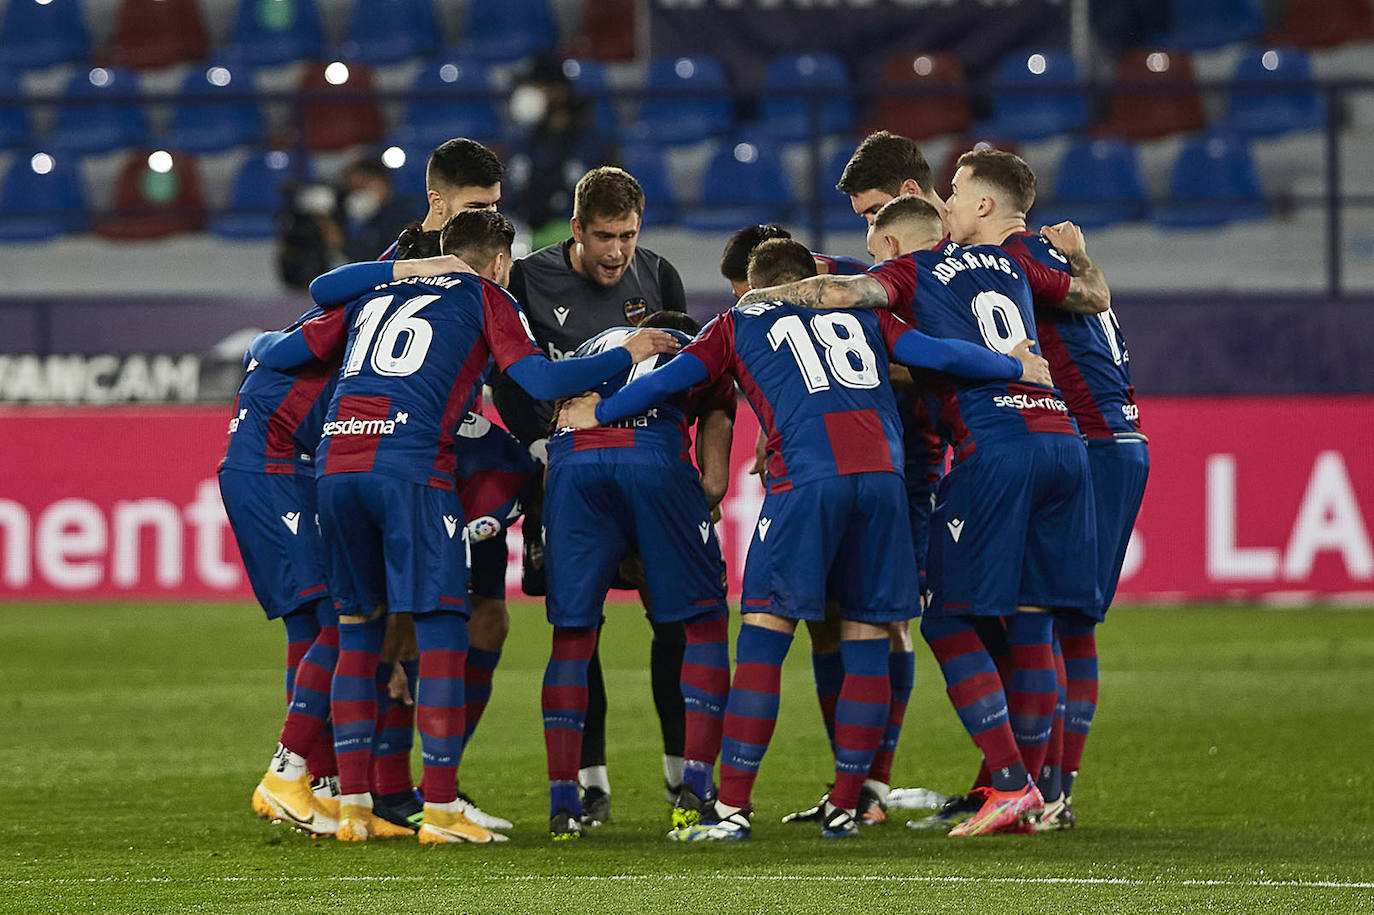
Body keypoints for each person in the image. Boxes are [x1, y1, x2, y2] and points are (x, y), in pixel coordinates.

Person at [562, 237, 1051, 841]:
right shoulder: (864, 313)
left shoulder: (737, 320)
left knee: (766, 635)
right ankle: (849, 804)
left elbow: (666, 382)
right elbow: (939, 353)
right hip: (883, 477)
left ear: (757, 282)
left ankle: (733, 810)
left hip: (809, 479)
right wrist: (1014, 365)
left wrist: (600, 414)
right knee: (868, 632)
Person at [252, 209, 679, 844]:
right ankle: (443, 808)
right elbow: (539, 379)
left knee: (357, 626)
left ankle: (349, 803)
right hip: (411, 468)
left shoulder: (379, 290)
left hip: (339, 465)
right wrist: (629, 352)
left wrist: (402, 267)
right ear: (501, 263)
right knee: (444, 626)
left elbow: (306, 310)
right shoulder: (488, 297)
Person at [740, 197, 1098, 837]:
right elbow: (1091, 296)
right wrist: (1074, 257)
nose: (873, 257)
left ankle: (1007, 784)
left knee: (940, 622)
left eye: (875, 240)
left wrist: (759, 301)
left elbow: (871, 310)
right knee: (1035, 619)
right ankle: (1042, 795)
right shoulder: (1009, 261)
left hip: (975, 452)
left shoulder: (910, 273)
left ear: (894, 245)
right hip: (1062, 435)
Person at [231, 240, 472, 837]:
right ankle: (293, 775)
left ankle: (334, 789)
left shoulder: (372, 322)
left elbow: (266, 344)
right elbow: (271, 346)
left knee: (324, 623)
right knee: (333, 623)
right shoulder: (358, 312)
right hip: (276, 467)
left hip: (298, 466)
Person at [943, 148, 1147, 829]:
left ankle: (1041, 790)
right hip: (1114, 441)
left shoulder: (1016, 259)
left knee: (1041, 616)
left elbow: (1092, 301)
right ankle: (1051, 788)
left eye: (955, 190)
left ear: (983, 205)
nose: (947, 204)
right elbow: (1094, 295)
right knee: (1068, 619)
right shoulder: (1053, 258)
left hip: (1083, 441)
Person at [491, 165, 693, 824]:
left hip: (643, 473)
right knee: (579, 626)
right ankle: (590, 779)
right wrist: (542, 441)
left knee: (675, 625)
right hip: (563, 475)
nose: (616, 252)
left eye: (628, 236)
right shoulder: (528, 279)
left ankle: (679, 773)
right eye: (604, 236)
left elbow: (678, 375)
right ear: (576, 229)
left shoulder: (658, 274)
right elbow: (510, 377)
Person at [540, 309, 735, 839]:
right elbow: (715, 483)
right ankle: (695, 793)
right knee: (704, 624)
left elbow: (555, 413)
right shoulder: (704, 354)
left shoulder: (593, 346)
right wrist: (684, 516)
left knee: (573, 636)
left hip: (572, 467)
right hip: (652, 461)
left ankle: (563, 805)